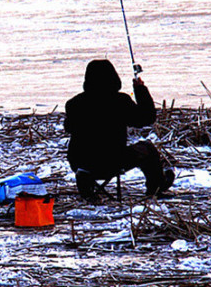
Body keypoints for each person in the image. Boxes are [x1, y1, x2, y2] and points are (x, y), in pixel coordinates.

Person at [64, 59, 174, 201]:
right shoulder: (121, 101)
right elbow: (146, 118)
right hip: (111, 162)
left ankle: (85, 178)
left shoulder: (74, 103)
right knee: (147, 148)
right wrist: (140, 90)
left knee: (88, 155)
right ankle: (157, 187)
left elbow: (69, 127)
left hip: (80, 161)